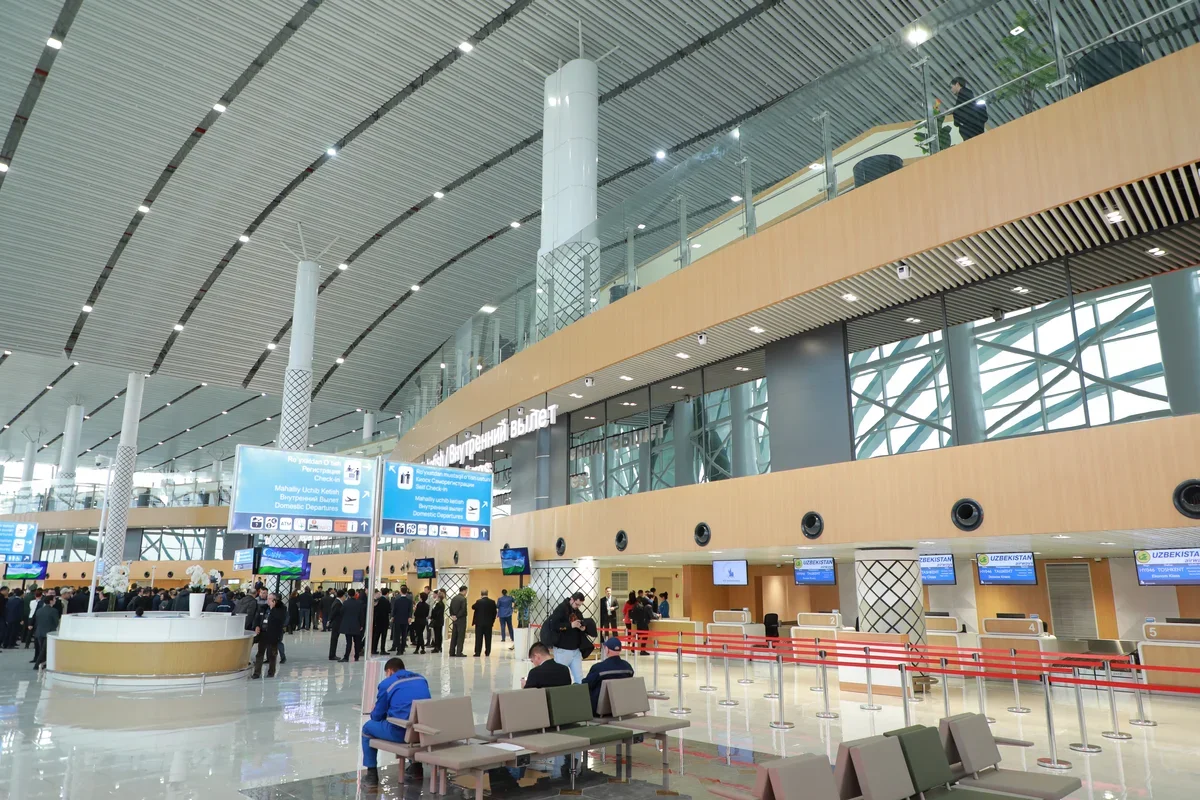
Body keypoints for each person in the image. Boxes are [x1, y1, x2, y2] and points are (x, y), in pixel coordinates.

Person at [360, 657, 432, 786]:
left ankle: (371, 775)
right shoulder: (421, 679)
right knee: (411, 719)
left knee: (367, 728)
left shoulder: (387, 684)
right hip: (423, 732)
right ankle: (416, 767)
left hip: (401, 733)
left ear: (390, 671)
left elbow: (377, 716)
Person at [544, 592, 596, 684]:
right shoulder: (561, 609)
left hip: (575, 650)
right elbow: (554, 625)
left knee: (579, 677)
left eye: (579, 605)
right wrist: (570, 625)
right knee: (560, 677)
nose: (577, 606)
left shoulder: (577, 611)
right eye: (576, 604)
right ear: (572, 599)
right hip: (562, 650)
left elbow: (580, 622)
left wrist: (582, 628)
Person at [583, 637, 635, 713]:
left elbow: (586, 685)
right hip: (621, 707)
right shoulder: (628, 668)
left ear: (607, 649)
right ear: (620, 650)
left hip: (599, 709)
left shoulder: (599, 668)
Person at [252, 593, 287, 679]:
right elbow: (257, 618)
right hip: (263, 633)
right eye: (268, 598)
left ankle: (271, 672)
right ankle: (257, 672)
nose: (268, 600)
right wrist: (256, 626)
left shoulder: (281, 609)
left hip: (273, 634)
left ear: (275, 600)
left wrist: (272, 608)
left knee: (272, 654)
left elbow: (280, 620)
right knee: (260, 653)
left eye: (270, 599)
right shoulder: (263, 608)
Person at [950, 76, 987, 140]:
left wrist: (954, 110)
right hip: (973, 125)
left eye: (952, 87)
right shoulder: (967, 94)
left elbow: (962, 110)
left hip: (970, 127)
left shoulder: (964, 95)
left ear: (957, 84)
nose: (951, 89)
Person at [32, 590, 62, 670]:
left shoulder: (39, 610)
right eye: (54, 599)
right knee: (45, 650)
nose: (55, 601)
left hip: (39, 632)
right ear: (51, 601)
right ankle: (38, 665)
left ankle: (42, 664)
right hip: (49, 632)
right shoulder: (54, 611)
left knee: (42, 649)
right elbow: (56, 622)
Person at [339, 588, 364, 662]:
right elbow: (361, 615)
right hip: (357, 625)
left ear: (348, 595)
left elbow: (341, 612)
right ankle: (356, 656)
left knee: (349, 642)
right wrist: (362, 625)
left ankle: (346, 657)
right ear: (355, 594)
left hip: (348, 626)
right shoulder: (359, 603)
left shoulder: (345, 603)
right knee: (357, 642)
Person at [472, 589, 498, 657]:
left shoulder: (479, 602)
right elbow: (495, 613)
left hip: (479, 624)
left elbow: (473, 607)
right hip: (488, 623)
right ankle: (487, 652)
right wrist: (492, 621)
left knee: (478, 638)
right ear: (487, 593)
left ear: (481, 594)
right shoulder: (492, 602)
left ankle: (477, 652)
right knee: (488, 638)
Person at [391, 586, 412, 655]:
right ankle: (402, 648)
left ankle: (398, 649)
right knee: (404, 634)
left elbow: (394, 610)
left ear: (400, 591)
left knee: (397, 635)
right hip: (405, 619)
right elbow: (410, 610)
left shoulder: (397, 600)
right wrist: (409, 617)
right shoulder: (409, 601)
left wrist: (392, 616)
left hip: (397, 619)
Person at [448, 586, 468, 657]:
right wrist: (457, 616)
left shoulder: (454, 598)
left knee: (454, 636)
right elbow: (463, 610)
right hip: (461, 620)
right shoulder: (463, 599)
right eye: (466, 591)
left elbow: (450, 608)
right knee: (460, 636)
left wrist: (453, 615)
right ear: (464, 591)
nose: (466, 593)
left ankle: (451, 651)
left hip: (454, 620)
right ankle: (459, 652)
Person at [327, 589, 345, 661]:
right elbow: (334, 613)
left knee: (334, 639)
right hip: (336, 623)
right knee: (334, 639)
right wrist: (330, 620)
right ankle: (332, 655)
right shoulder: (338, 603)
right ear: (342, 596)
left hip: (336, 623)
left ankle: (332, 654)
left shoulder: (337, 602)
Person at [372, 588, 391, 655]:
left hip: (378, 620)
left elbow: (375, 609)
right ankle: (382, 650)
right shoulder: (387, 601)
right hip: (385, 620)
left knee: (376, 635)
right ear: (387, 593)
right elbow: (389, 610)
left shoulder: (378, 600)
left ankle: (374, 649)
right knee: (383, 636)